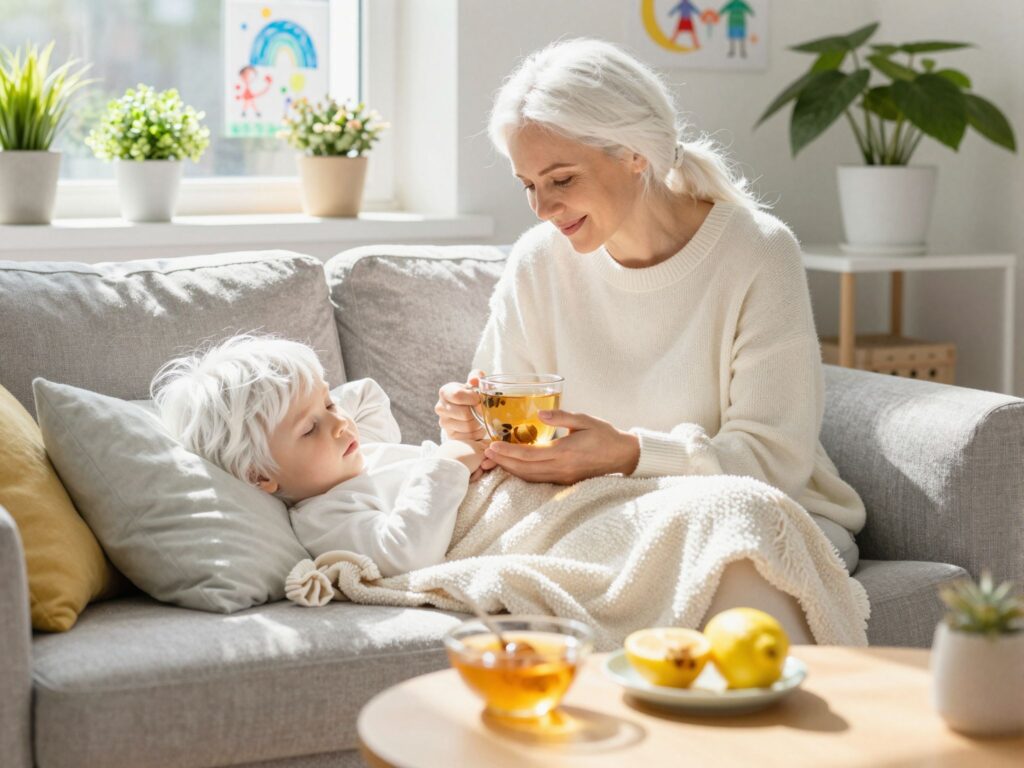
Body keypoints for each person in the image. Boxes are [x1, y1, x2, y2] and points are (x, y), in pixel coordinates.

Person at [435, 38, 866, 643]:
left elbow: (774, 461)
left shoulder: (758, 252)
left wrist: (630, 453)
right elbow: (513, 432)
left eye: (560, 178)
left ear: (635, 154)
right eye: (527, 184)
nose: (542, 207)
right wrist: (475, 426)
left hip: (751, 505)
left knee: (733, 521)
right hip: (598, 512)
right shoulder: (538, 262)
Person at [152, 334, 486, 577]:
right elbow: (405, 554)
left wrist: (314, 406)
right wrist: (448, 464)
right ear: (259, 476)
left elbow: (366, 395)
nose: (340, 422)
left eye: (330, 404)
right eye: (309, 429)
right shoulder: (325, 515)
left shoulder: (355, 455)